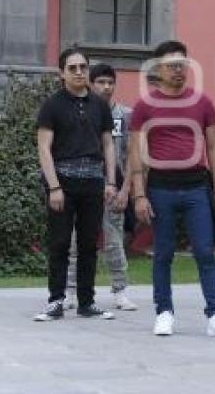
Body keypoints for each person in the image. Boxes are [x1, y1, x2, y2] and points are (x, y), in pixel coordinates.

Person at [128, 40, 215, 338]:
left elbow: (213, 147)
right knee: (163, 252)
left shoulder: (202, 103)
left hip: (195, 187)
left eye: (183, 65)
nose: (179, 71)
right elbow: (136, 152)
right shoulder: (145, 106)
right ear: (158, 70)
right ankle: (164, 312)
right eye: (172, 65)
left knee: (204, 251)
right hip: (160, 188)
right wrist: (138, 194)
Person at [34, 48, 118, 321]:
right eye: (73, 68)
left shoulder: (100, 105)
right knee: (59, 243)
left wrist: (111, 181)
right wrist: (54, 187)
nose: (79, 72)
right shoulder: (52, 105)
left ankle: (87, 302)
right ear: (62, 73)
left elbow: (108, 144)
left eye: (83, 67)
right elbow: (44, 148)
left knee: (88, 244)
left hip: (93, 182)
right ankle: (56, 300)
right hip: (63, 183)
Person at [64, 63, 137, 312]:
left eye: (110, 82)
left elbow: (132, 156)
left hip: (112, 186)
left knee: (114, 240)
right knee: (75, 240)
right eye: (101, 82)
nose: (106, 87)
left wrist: (126, 189)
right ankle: (70, 291)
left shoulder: (125, 115)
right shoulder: (79, 111)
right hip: (82, 184)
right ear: (90, 84)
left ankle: (120, 291)